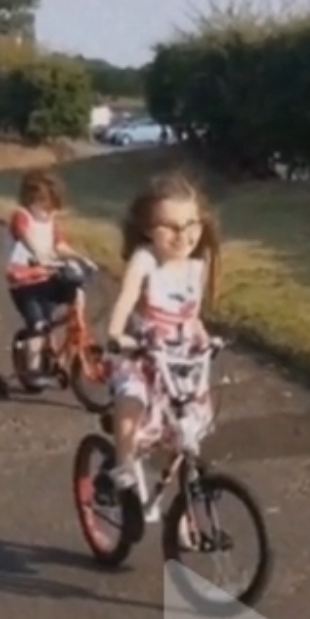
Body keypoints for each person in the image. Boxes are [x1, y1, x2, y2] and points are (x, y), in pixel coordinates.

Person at [105, 170, 220, 495]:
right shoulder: (145, 261)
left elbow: (190, 315)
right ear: (147, 229)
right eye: (169, 227)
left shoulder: (197, 266)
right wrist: (117, 334)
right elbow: (126, 301)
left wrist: (202, 335)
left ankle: (184, 516)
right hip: (142, 354)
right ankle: (124, 461)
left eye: (190, 225)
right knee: (131, 399)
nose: (182, 236)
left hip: (178, 359)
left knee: (186, 431)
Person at [5, 168, 87, 390]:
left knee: (76, 289)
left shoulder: (51, 223)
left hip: (47, 279)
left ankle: (70, 343)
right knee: (38, 326)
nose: (49, 215)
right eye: (45, 209)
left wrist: (80, 258)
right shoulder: (22, 216)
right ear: (31, 201)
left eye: (53, 210)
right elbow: (24, 235)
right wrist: (38, 253)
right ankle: (31, 369)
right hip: (24, 284)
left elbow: (60, 246)